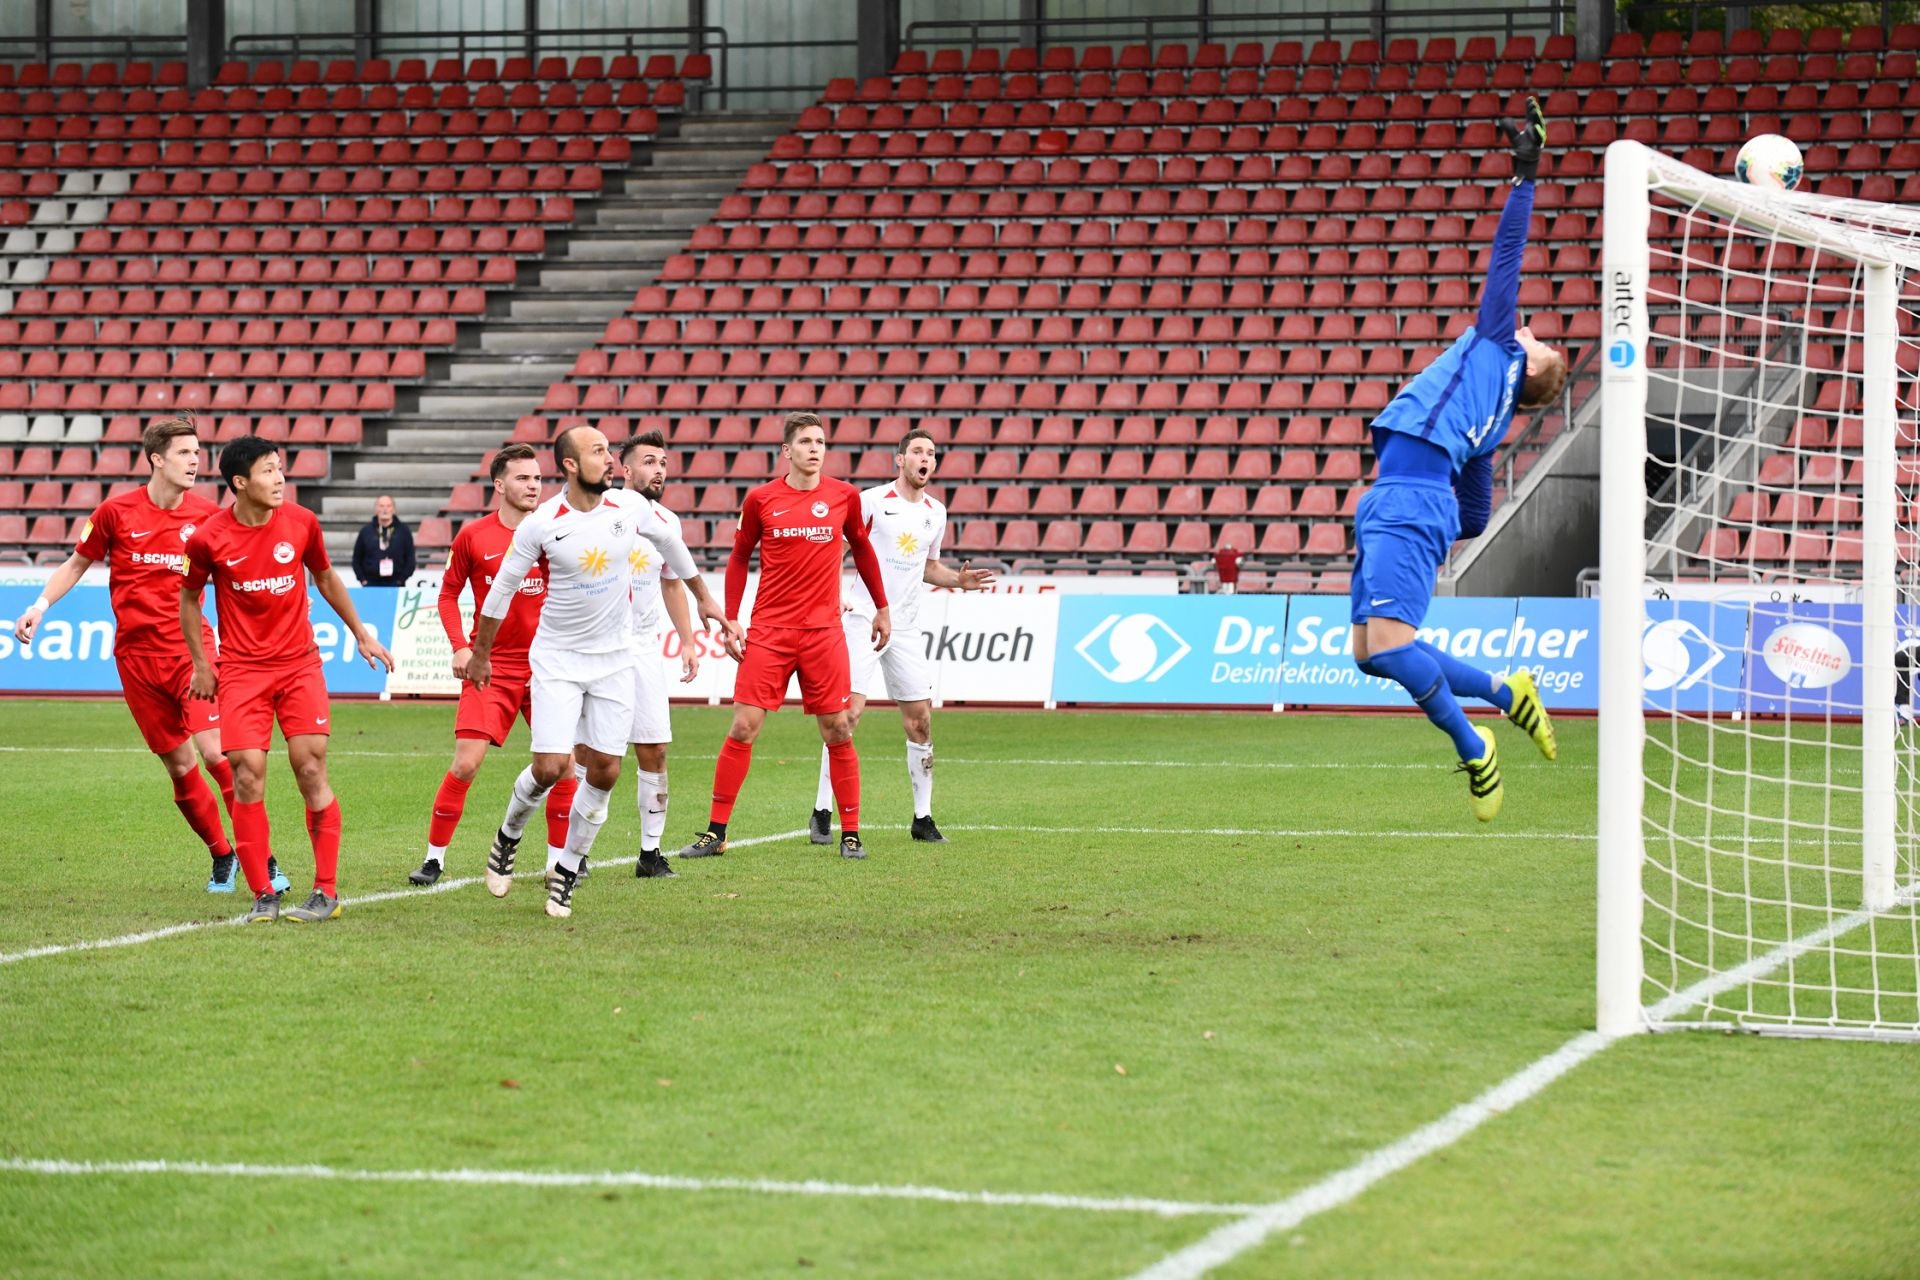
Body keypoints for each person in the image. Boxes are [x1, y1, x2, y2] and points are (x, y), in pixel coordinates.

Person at [1348, 96, 1565, 822]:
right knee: (1368, 652)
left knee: (1388, 644)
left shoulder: (1495, 349)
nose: (1531, 331)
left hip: (1406, 501)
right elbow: (1474, 514)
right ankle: (1509, 695)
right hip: (1402, 500)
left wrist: (1524, 174)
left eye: (1542, 343)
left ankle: (1476, 746)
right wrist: (1439, 518)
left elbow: (1506, 257)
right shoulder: (1495, 420)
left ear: (1530, 366)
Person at [12, 415, 289, 895]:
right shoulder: (115, 513)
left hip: (192, 655)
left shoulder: (207, 516)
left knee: (217, 754)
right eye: (185, 453)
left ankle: (261, 856)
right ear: (157, 459)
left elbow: (244, 570)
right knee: (180, 768)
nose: (196, 461)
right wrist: (39, 606)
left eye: (198, 453)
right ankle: (222, 854)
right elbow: (77, 562)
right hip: (136, 661)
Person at [466, 425, 732, 919]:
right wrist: (480, 652)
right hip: (559, 659)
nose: (609, 460)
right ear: (569, 465)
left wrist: (705, 599)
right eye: (597, 452)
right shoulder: (542, 524)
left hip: (615, 659)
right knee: (550, 768)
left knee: (606, 772)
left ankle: (565, 873)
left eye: (610, 451)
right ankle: (508, 834)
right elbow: (501, 590)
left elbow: (672, 546)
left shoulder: (630, 508)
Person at [180, 435, 395, 922]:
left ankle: (325, 891)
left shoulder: (301, 523)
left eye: (280, 468)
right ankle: (263, 895)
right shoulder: (207, 538)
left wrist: (361, 634)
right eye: (268, 471)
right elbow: (189, 599)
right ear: (240, 482)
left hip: (300, 666)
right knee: (246, 774)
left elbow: (325, 577)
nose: (279, 479)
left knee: (311, 768)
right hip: (241, 672)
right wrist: (200, 663)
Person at [677, 411, 891, 862]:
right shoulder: (760, 499)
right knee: (743, 726)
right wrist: (731, 618)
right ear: (786, 451)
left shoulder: (844, 496)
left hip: (823, 633)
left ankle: (850, 832)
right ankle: (715, 833)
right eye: (807, 441)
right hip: (770, 632)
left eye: (821, 441)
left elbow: (865, 552)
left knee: (837, 728)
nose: (815, 448)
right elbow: (739, 558)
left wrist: (882, 608)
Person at [807, 428, 995, 847]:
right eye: (917, 451)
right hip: (862, 621)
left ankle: (922, 818)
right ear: (900, 459)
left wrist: (958, 582)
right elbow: (836, 551)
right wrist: (836, 595)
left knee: (921, 721)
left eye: (931, 453)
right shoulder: (872, 502)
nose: (925, 458)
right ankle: (822, 810)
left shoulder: (936, 512)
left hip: (906, 627)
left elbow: (929, 568)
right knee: (846, 717)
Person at [408, 443, 577, 887]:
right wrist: (460, 646)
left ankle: (559, 861)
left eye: (539, 478)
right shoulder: (473, 536)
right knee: (466, 763)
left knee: (564, 764)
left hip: (548, 665)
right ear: (499, 486)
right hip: (492, 665)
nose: (534, 486)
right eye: (523, 478)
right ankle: (433, 858)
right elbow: (447, 594)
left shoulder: (558, 533)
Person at [618, 431, 703, 880]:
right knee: (588, 756)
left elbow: (673, 582)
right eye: (649, 462)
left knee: (654, 749)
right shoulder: (599, 513)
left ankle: (650, 854)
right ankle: (572, 852)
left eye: (664, 463)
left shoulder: (668, 522)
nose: (659, 470)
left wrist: (687, 640)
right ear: (625, 471)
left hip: (644, 648)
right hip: (597, 649)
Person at [351, 494, 416, 587]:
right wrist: (363, 579)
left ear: (394, 509)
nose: (385, 509)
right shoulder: (366, 531)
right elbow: (356, 559)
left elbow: (410, 559)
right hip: (370, 584)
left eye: (388, 506)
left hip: (396, 584)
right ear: (376, 509)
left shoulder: (403, 531)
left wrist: (401, 580)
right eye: (381, 506)